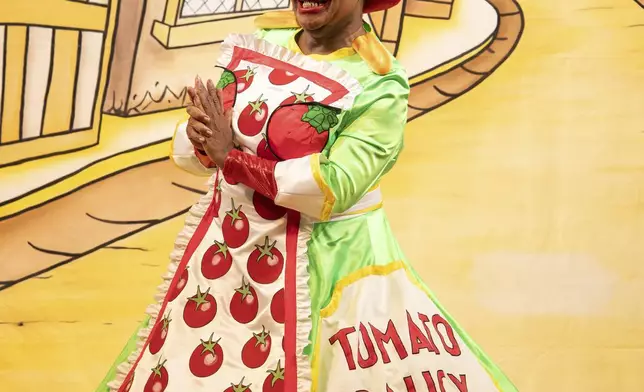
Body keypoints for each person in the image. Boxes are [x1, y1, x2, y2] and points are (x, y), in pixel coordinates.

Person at [97, 0, 518, 391]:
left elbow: (334, 185)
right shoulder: (266, 43)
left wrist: (231, 158)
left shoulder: (382, 82)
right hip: (225, 259)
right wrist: (202, 138)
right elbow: (213, 138)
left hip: (326, 265)